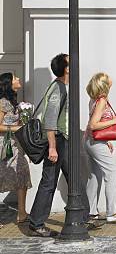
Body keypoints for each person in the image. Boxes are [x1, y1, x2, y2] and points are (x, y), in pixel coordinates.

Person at [29, 54, 86, 237]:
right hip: (59, 141)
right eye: (71, 62)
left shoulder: (65, 87)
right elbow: (50, 121)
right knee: (49, 181)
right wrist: (52, 147)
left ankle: (83, 217)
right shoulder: (58, 89)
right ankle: (36, 223)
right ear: (66, 69)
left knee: (74, 178)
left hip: (66, 140)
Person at [83, 73, 116, 223]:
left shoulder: (94, 99)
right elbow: (93, 124)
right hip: (95, 143)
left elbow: (92, 125)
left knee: (95, 176)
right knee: (113, 172)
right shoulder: (102, 101)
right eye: (107, 78)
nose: (111, 79)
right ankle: (112, 212)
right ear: (104, 84)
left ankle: (90, 211)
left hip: (90, 141)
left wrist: (106, 140)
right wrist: (115, 121)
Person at [0, 72, 32, 225]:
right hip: (5, 146)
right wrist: (16, 127)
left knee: (22, 173)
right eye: (15, 78)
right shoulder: (2, 102)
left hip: (15, 145)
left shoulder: (13, 102)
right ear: (8, 84)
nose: (18, 79)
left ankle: (21, 212)